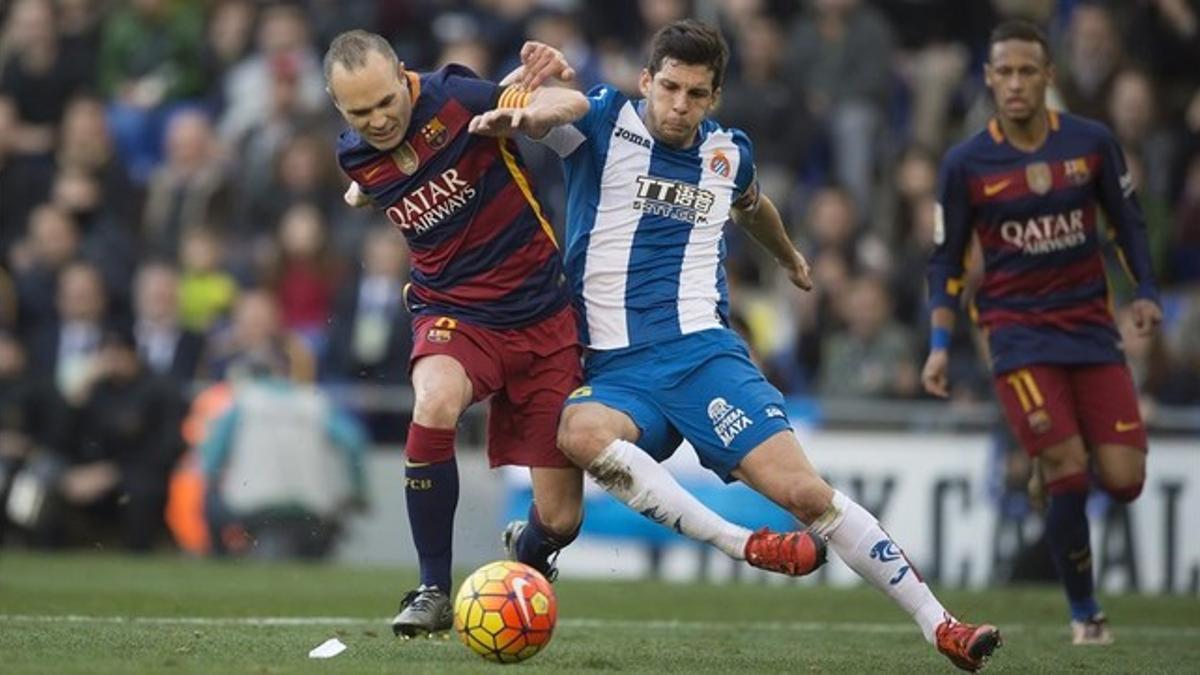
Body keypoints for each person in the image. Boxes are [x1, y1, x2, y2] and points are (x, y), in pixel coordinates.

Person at [470, 20, 1000, 672]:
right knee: (579, 430)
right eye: (668, 87)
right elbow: (537, 110)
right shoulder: (604, 122)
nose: (679, 105)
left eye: (696, 93)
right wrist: (523, 94)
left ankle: (942, 624)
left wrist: (790, 256)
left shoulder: (727, 154)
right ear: (646, 81)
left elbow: (754, 207)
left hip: (705, 357)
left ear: (714, 96)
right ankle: (741, 543)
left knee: (809, 495)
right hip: (613, 368)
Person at [324, 29, 588, 638]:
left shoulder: (457, 98)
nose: (380, 120)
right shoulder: (354, 153)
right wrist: (363, 192)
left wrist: (542, 106)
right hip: (454, 313)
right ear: (340, 111)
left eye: (387, 102)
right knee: (435, 400)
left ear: (403, 76)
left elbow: (562, 110)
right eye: (360, 113)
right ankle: (432, 589)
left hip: (543, 313)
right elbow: (371, 182)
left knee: (563, 518)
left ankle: (527, 549)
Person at [921, 20, 1162, 646]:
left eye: (1029, 71)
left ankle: (1049, 458)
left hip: (1089, 328)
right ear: (989, 79)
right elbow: (946, 261)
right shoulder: (966, 163)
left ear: (1048, 76)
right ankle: (1086, 612)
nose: (1017, 83)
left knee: (1125, 480)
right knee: (1069, 473)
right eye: (1005, 72)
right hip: (1016, 333)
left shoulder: (1090, 144)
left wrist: (1145, 293)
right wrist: (940, 345)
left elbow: (1128, 223)